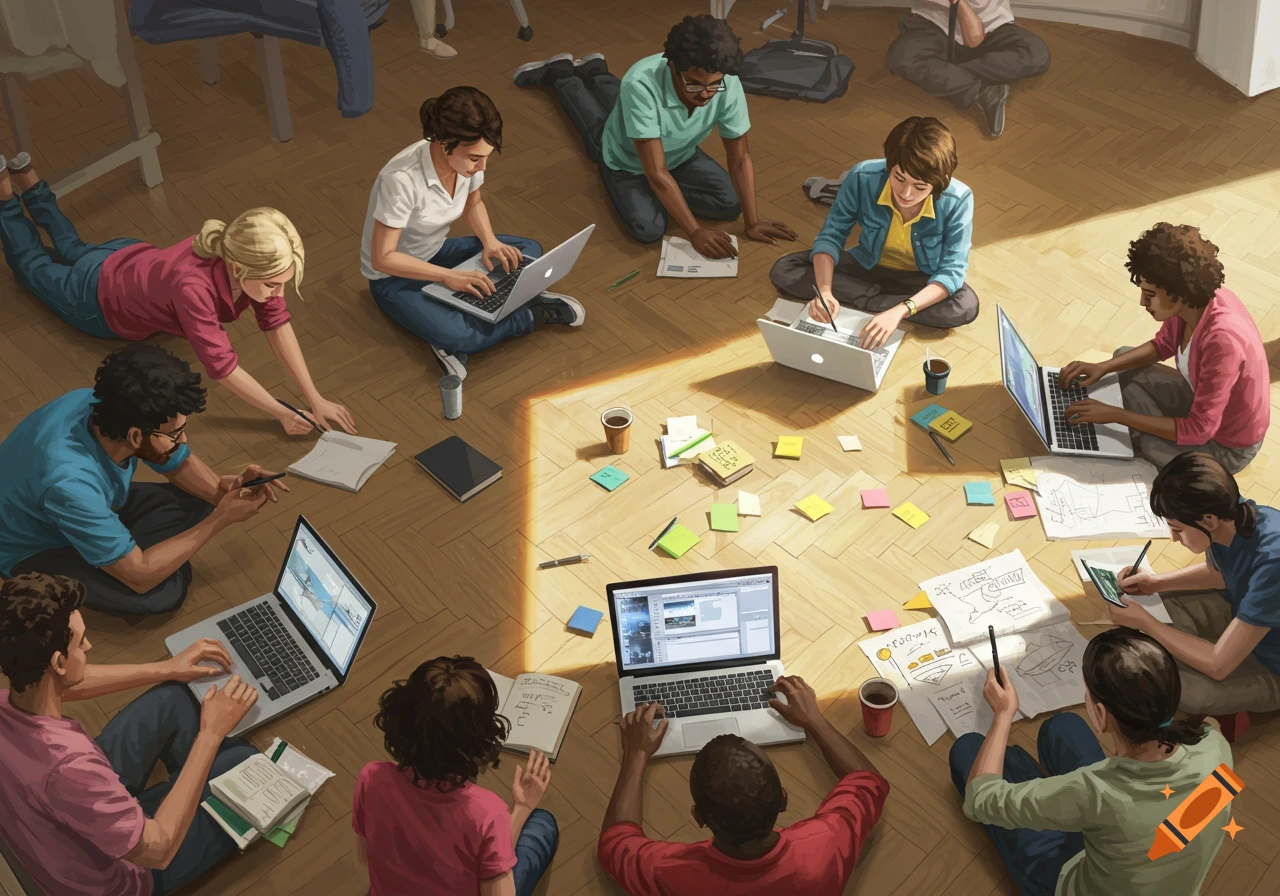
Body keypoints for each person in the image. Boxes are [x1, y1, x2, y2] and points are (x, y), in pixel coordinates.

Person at [0, 155, 354, 436]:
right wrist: (282, 413)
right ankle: (6, 198)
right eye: (272, 285)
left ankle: (28, 180)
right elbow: (223, 367)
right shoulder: (193, 288)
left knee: (73, 248)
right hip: (96, 302)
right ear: (236, 269)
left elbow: (275, 321)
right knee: (31, 266)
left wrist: (314, 397)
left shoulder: (240, 252)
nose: (277, 294)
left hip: (123, 257)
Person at [0, 573, 261, 896]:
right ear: (58, 662)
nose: (89, 646)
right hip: (123, 875)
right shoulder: (70, 765)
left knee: (174, 697)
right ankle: (196, 782)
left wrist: (168, 667)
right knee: (247, 763)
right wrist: (210, 733)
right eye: (81, 642)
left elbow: (66, 683)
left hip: (61, 815)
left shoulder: (12, 698)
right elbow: (159, 850)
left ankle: (191, 781)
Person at [0, 344, 285, 616]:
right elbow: (140, 579)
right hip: (34, 546)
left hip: (77, 501)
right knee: (163, 593)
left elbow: (175, 460)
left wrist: (225, 494)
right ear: (135, 436)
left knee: (198, 505)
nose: (183, 440)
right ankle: (127, 552)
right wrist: (220, 519)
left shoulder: (99, 403)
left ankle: (130, 549)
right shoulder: (70, 484)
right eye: (176, 434)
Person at [950, 627, 1233, 896]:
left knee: (968, 749)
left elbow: (980, 801)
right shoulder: (1214, 745)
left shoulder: (1096, 790)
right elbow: (1207, 729)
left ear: (1101, 713)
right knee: (1062, 726)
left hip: (1086, 882)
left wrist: (1002, 715)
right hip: (1148, 869)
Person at [512, 15, 796, 256]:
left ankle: (596, 72)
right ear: (672, 66)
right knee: (647, 227)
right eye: (694, 85)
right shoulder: (640, 82)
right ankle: (561, 76)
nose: (707, 94)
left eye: (714, 85)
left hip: (681, 152)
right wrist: (694, 231)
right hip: (627, 161)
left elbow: (740, 158)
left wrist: (753, 221)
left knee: (730, 204)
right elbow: (657, 172)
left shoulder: (726, 82)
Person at [362, 86, 585, 382]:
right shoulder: (400, 180)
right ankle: (528, 314)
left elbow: (473, 202)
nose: (482, 166)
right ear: (444, 144)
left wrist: (490, 243)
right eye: (475, 158)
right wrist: (446, 277)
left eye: (487, 157)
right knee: (462, 335)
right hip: (394, 278)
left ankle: (483, 306)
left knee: (526, 250)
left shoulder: (467, 160)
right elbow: (383, 258)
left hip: (436, 252)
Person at [597, 676, 889, 894]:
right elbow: (869, 782)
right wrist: (814, 721)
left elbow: (614, 844)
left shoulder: (672, 873)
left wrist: (636, 754)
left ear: (698, 817)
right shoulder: (823, 845)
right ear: (783, 799)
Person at [1060, 224, 1268, 474]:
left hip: (1226, 446)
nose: (1142, 302)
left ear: (1179, 293)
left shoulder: (1223, 339)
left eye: (1150, 294)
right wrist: (1102, 367)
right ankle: (1140, 423)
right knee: (1121, 356)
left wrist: (1116, 415)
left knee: (1147, 444)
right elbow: (1163, 345)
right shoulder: (1192, 303)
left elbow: (1200, 429)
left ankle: (1138, 429)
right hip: (1198, 401)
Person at [353, 655, 559, 896]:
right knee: (543, 825)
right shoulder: (487, 813)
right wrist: (522, 807)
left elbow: (364, 855)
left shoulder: (372, 777)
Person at [1108, 452, 1280, 732]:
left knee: (1184, 690)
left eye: (1177, 529)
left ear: (1208, 521)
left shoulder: (1274, 560)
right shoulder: (1231, 515)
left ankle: (1232, 713)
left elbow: (1218, 665)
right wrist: (1156, 582)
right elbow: (1219, 575)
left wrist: (1146, 624)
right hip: (1246, 619)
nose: (1174, 538)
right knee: (1161, 604)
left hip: (1273, 664)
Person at [771, 117, 978, 349]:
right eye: (899, 178)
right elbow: (832, 235)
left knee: (965, 305)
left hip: (919, 278)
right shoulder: (862, 176)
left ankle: (873, 302)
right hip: (866, 265)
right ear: (889, 166)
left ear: (939, 183)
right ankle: (877, 302)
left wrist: (900, 311)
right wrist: (826, 292)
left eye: (920, 186)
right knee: (785, 269)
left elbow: (952, 270)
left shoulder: (958, 199)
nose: (907, 193)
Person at [887, 0, 1051, 138]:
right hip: (934, 25)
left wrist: (960, 4)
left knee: (1037, 54)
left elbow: (975, 39)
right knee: (901, 58)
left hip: (992, 28)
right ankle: (984, 91)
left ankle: (948, 72)